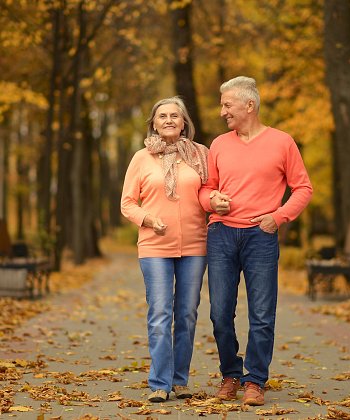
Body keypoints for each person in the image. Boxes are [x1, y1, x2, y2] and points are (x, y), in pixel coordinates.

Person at [199, 76, 312, 406]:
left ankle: (255, 380)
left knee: (262, 314)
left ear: (250, 105)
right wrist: (212, 201)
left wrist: (277, 218)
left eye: (227, 104)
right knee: (220, 313)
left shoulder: (282, 142)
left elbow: (303, 188)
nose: (222, 112)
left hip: (260, 237)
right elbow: (207, 189)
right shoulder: (219, 144)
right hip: (221, 234)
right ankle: (231, 374)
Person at [121, 97, 208, 403]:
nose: (169, 120)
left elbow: (210, 191)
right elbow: (127, 203)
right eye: (163, 116)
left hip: (195, 245)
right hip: (154, 246)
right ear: (154, 123)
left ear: (184, 122)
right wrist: (147, 218)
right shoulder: (141, 158)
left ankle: (180, 380)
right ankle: (160, 383)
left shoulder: (201, 155)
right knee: (160, 314)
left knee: (186, 314)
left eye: (175, 115)